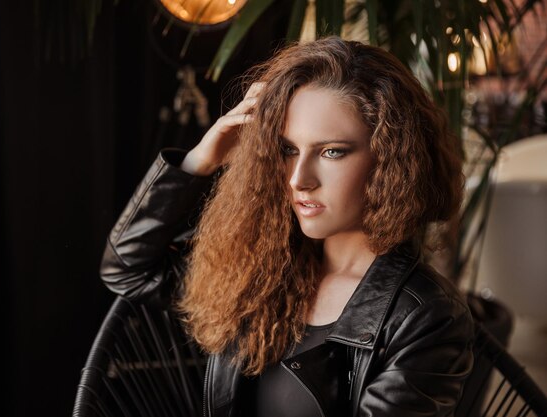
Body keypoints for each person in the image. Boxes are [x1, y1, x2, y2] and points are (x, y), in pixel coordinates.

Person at [100, 36, 474, 417]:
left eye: (331, 151)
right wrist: (200, 160)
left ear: (392, 161)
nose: (299, 179)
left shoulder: (425, 316)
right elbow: (127, 269)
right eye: (287, 150)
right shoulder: (262, 264)